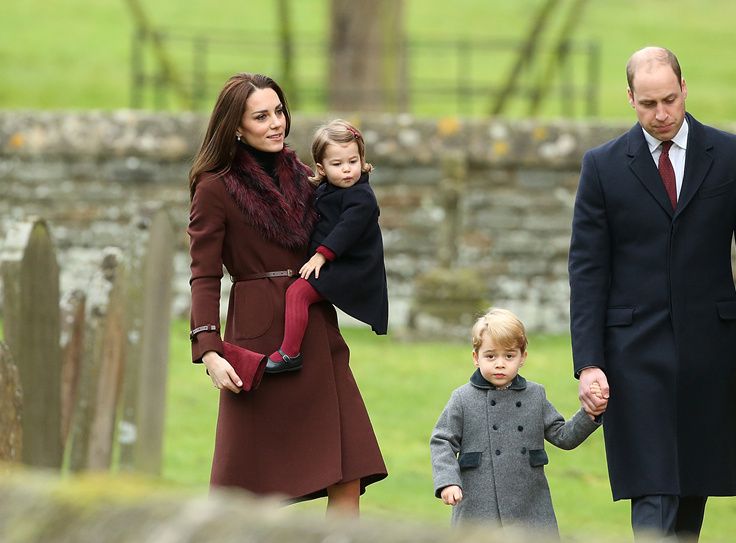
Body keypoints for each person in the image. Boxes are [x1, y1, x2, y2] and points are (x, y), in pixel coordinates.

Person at [568, 46, 736, 541]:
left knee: (690, 494)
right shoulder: (601, 166)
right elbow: (587, 270)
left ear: (685, 89)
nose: (661, 114)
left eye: (669, 100)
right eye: (647, 104)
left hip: (709, 349)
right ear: (629, 99)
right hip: (631, 353)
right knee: (654, 489)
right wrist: (589, 362)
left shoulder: (732, 155)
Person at [187, 73, 387, 516]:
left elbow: (354, 218)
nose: (276, 123)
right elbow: (203, 274)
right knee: (251, 485)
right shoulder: (214, 187)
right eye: (261, 116)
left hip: (314, 327)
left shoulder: (306, 175)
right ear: (236, 128)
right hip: (259, 340)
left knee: (346, 468)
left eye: (279, 111)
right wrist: (210, 350)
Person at [430, 308, 605, 537]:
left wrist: (589, 413)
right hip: (478, 505)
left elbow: (563, 436)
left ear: (523, 357)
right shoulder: (462, 398)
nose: (500, 364)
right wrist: (448, 482)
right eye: (491, 356)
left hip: (530, 506)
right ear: (476, 357)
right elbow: (442, 441)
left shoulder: (535, 395)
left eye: (509, 356)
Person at [264, 119, 388, 373]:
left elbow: (346, 230)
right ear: (321, 168)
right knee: (295, 291)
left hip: (350, 268)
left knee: (298, 293)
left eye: (353, 162)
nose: (347, 170)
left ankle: (290, 353)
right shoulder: (325, 189)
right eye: (337, 164)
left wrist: (321, 256)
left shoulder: (362, 197)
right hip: (334, 262)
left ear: (362, 158)